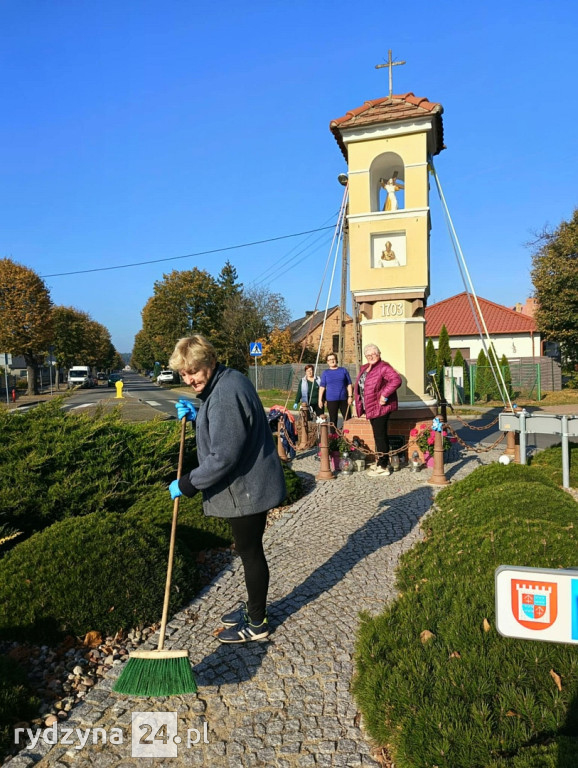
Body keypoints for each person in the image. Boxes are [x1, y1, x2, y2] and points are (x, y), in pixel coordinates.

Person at [167, 334, 286, 643]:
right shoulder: (229, 379)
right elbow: (226, 424)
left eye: (194, 370)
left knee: (250, 553)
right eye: (184, 373)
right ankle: (253, 607)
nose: (189, 378)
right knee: (250, 551)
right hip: (252, 482)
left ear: (210, 361)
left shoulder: (223, 395)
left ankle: (257, 623)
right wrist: (198, 414)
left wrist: (188, 483)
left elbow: (223, 456)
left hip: (246, 488)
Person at [354, 343, 402, 477]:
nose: (371, 357)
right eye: (368, 355)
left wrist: (384, 395)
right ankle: (381, 461)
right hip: (370, 407)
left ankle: (383, 466)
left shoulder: (383, 367)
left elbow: (396, 380)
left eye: (373, 354)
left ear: (379, 354)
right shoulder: (365, 368)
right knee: (378, 435)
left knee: (380, 436)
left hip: (380, 407)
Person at [318, 353, 353, 429]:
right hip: (331, 400)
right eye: (329, 360)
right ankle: (334, 437)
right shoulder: (326, 373)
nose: (332, 361)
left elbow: (349, 384)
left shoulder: (343, 370)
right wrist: (320, 399)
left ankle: (348, 436)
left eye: (333, 359)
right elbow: (322, 387)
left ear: (336, 360)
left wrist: (350, 396)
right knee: (333, 420)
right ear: (327, 362)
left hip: (344, 399)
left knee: (348, 418)